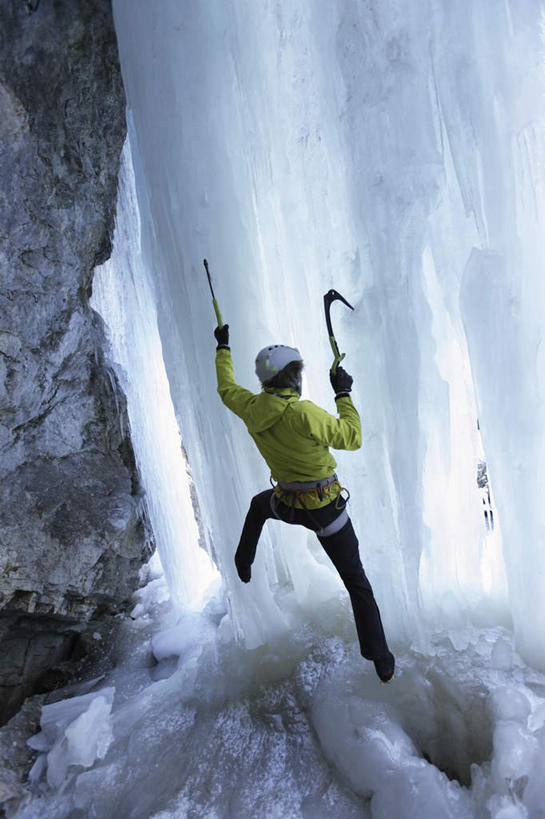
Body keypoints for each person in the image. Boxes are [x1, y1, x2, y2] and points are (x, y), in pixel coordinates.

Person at [214, 324, 395, 683]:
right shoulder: (303, 413)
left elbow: (226, 388)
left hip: (288, 505)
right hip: (326, 511)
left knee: (258, 506)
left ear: (265, 380)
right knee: (356, 582)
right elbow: (352, 437)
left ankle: (243, 560)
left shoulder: (251, 407)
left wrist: (223, 347)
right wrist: (343, 393)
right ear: (294, 377)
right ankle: (381, 657)